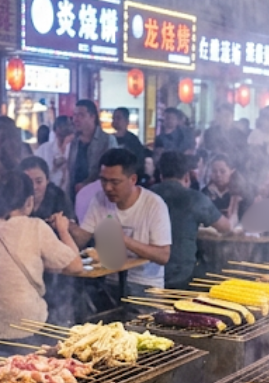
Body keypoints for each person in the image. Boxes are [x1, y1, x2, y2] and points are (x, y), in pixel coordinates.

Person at [0, 171, 81, 339]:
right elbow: (76, 265)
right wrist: (63, 229)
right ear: (29, 201)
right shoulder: (36, 227)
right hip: (23, 324)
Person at [70, 149, 171, 292]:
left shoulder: (154, 204)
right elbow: (82, 240)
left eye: (115, 182)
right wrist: (66, 227)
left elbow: (163, 256)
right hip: (109, 280)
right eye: (103, 180)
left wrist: (123, 239)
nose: (108, 188)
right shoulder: (99, 199)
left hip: (145, 284)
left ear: (133, 180)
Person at [152, 152, 231, 289]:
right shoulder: (196, 198)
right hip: (182, 275)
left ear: (160, 175)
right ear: (187, 176)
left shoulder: (147, 195)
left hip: (148, 272)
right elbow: (225, 226)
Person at [68, 99, 117, 200]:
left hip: (100, 196)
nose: (76, 119)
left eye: (81, 115)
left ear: (92, 117)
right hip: (75, 196)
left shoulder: (107, 141)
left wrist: (87, 184)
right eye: (75, 115)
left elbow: (113, 170)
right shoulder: (74, 141)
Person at [18, 157, 75, 221]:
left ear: (47, 180)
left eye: (39, 181)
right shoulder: (14, 199)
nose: (34, 187)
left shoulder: (59, 197)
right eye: (28, 182)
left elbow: (71, 224)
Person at [35, 115, 74, 195]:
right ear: (55, 131)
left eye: (66, 131)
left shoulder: (75, 149)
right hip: (49, 194)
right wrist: (54, 168)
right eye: (60, 130)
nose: (62, 133)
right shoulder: (44, 149)